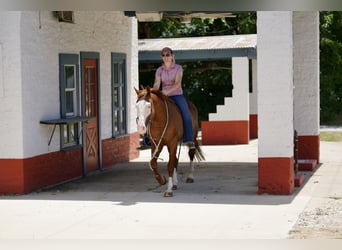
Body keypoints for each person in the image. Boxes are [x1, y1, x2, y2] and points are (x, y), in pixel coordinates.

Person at [153, 47, 195, 149]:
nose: (166, 57)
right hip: (163, 95)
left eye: (168, 55)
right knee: (150, 110)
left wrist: (166, 92)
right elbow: (157, 83)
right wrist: (154, 93)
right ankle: (147, 138)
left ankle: (189, 139)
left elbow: (177, 84)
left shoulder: (178, 68)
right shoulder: (159, 70)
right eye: (163, 55)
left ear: (172, 56)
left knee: (186, 114)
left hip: (176, 95)